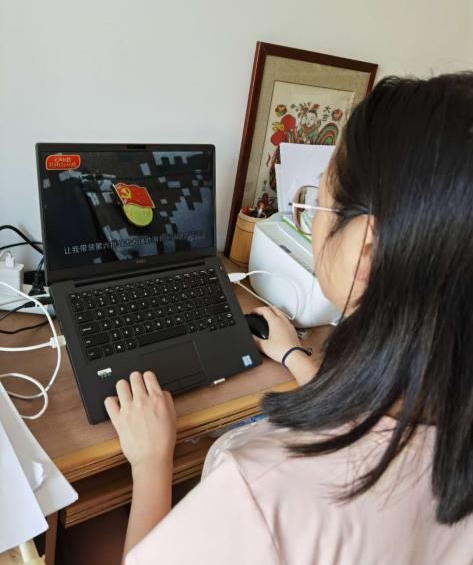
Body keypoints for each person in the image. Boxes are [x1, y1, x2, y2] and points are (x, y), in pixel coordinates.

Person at [104, 73, 473, 564]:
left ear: (365, 248)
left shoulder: (263, 491)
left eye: (316, 202)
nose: (312, 218)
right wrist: (296, 356)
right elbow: (373, 419)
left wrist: (151, 462)